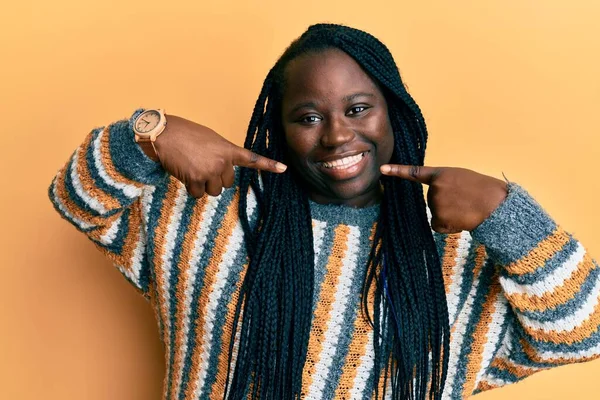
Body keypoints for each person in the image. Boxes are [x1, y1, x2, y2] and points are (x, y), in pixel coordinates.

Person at [48, 23, 600, 400]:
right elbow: (76, 199)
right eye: (308, 117)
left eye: (358, 109)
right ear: (279, 128)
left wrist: (507, 215)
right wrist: (148, 134)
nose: (338, 135)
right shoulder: (207, 214)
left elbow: (584, 333)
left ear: (395, 116)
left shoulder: (456, 258)